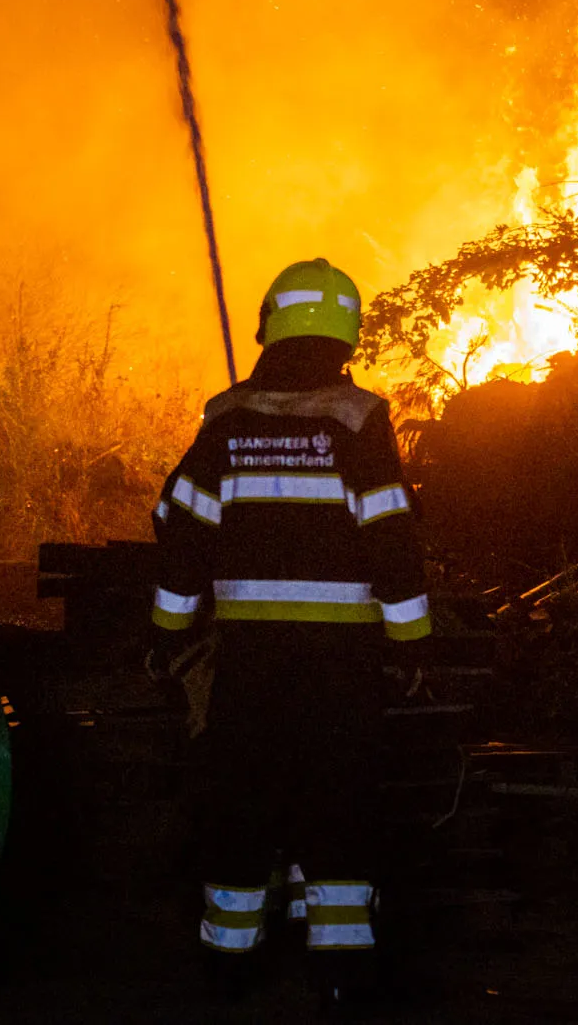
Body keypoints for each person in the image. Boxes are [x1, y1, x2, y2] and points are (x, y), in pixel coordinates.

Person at [146, 257, 429, 1006]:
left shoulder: (226, 420)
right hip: (341, 659)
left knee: (242, 796)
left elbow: (181, 531)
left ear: (269, 326)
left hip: (249, 658)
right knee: (337, 796)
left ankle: (231, 964)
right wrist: (409, 641)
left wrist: (171, 633)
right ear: (347, 337)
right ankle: (340, 970)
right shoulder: (360, 421)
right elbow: (392, 535)